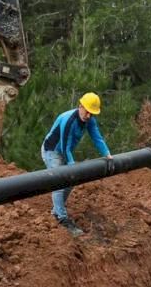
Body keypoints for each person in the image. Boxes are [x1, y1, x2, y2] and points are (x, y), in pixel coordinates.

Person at [41, 92, 113, 237]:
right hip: (52, 151)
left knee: (71, 181)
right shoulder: (68, 120)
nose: (88, 116)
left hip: (64, 151)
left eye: (92, 114)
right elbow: (64, 147)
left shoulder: (89, 120)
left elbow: (97, 137)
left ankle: (56, 211)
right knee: (59, 182)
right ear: (80, 106)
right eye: (87, 112)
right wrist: (72, 164)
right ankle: (61, 218)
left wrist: (108, 155)